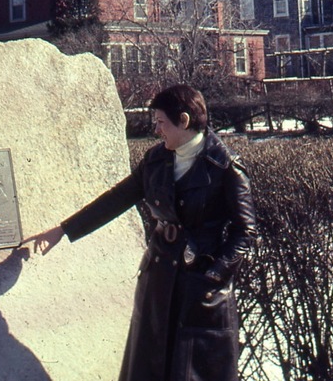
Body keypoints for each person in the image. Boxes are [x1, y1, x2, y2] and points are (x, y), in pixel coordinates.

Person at [23, 84, 257, 381]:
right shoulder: (156, 160)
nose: (156, 130)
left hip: (201, 291)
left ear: (184, 120)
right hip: (157, 281)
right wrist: (63, 230)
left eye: (161, 122)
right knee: (149, 368)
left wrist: (213, 276)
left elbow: (245, 232)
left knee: (192, 371)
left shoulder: (225, 167)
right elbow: (117, 199)